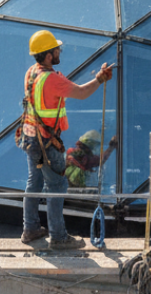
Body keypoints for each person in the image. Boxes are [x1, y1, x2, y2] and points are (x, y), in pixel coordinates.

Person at [20, 29, 114, 249]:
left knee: (34, 182)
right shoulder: (51, 79)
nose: (59, 50)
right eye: (56, 49)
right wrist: (100, 78)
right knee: (58, 184)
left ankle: (30, 228)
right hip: (46, 143)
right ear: (48, 54)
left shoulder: (31, 72)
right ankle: (59, 237)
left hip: (30, 137)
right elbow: (81, 93)